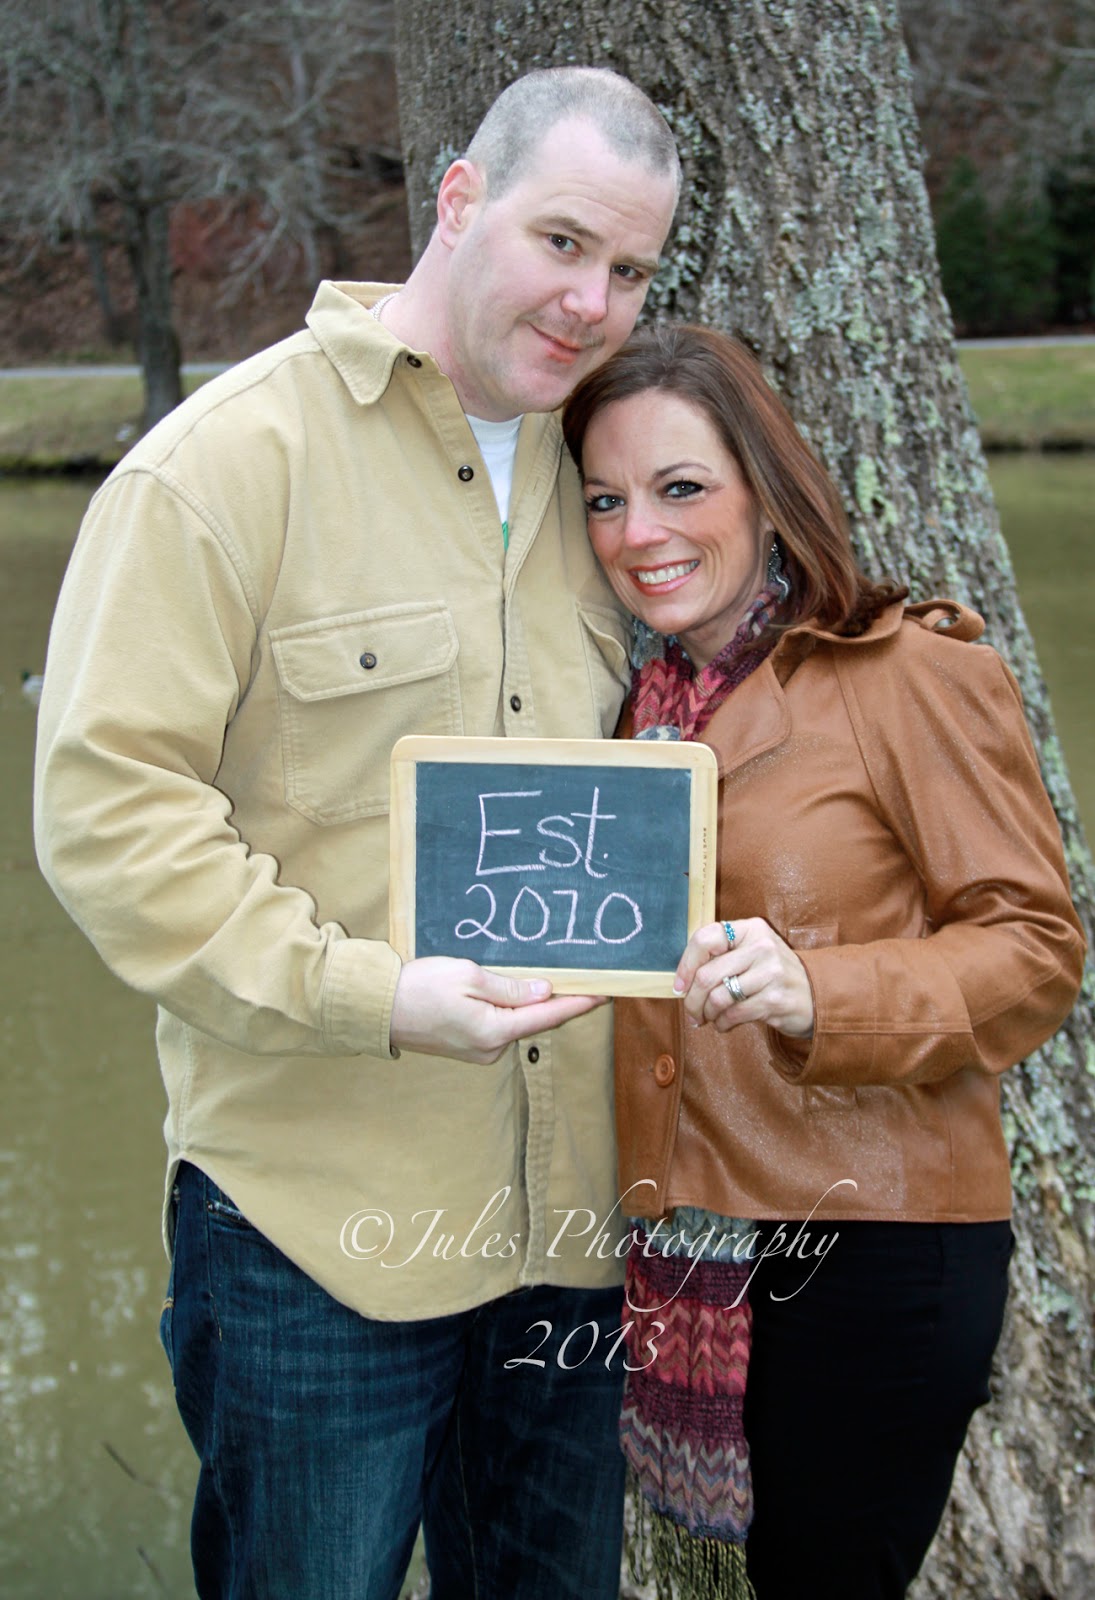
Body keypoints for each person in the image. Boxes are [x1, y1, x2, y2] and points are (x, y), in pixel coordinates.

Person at [33, 69, 680, 1600]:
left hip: (577, 1230)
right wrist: (370, 994)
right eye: (561, 241)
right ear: (458, 200)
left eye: (628, 268)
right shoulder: (224, 466)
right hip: (315, 1234)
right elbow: (111, 818)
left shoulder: (623, 483)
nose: (590, 302)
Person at [561, 323, 1085, 1600]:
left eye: (681, 487)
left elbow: (1036, 948)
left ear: (767, 487)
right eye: (606, 500)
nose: (640, 531)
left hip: (875, 1249)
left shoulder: (908, 672)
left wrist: (820, 990)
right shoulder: (625, 711)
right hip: (686, 1247)